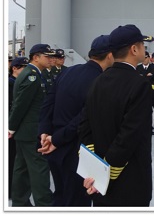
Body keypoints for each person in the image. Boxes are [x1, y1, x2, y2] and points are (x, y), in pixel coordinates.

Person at [79, 24, 154, 206]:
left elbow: (84, 126)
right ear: (134, 49)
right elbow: (129, 137)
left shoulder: (98, 81)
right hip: (130, 182)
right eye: (143, 44)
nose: (145, 48)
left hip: (100, 182)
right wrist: (106, 174)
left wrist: (96, 171)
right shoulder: (139, 85)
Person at [37, 35, 114, 206]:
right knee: (77, 201)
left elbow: (48, 104)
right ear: (110, 55)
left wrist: (45, 132)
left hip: (54, 149)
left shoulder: (68, 72)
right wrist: (56, 139)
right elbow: (83, 117)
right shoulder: (101, 81)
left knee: (60, 196)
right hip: (77, 153)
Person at [8, 44, 54, 206]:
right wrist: (11, 127)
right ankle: (44, 203)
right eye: (47, 56)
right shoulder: (31, 76)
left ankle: (20, 202)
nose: (50, 59)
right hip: (30, 131)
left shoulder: (35, 73)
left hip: (25, 131)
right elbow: (20, 104)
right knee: (39, 168)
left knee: (21, 168)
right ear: (36, 57)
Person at [8, 56, 28, 199]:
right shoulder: (9, 84)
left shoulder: (18, 83)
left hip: (17, 127)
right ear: (15, 68)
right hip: (11, 128)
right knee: (10, 160)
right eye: (23, 67)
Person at [137, 51, 154, 135]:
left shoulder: (153, 68)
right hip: (140, 94)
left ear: (148, 58)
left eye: (146, 57)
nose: (144, 59)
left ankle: (149, 128)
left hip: (150, 93)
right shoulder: (138, 68)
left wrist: (151, 89)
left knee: (149, 111)